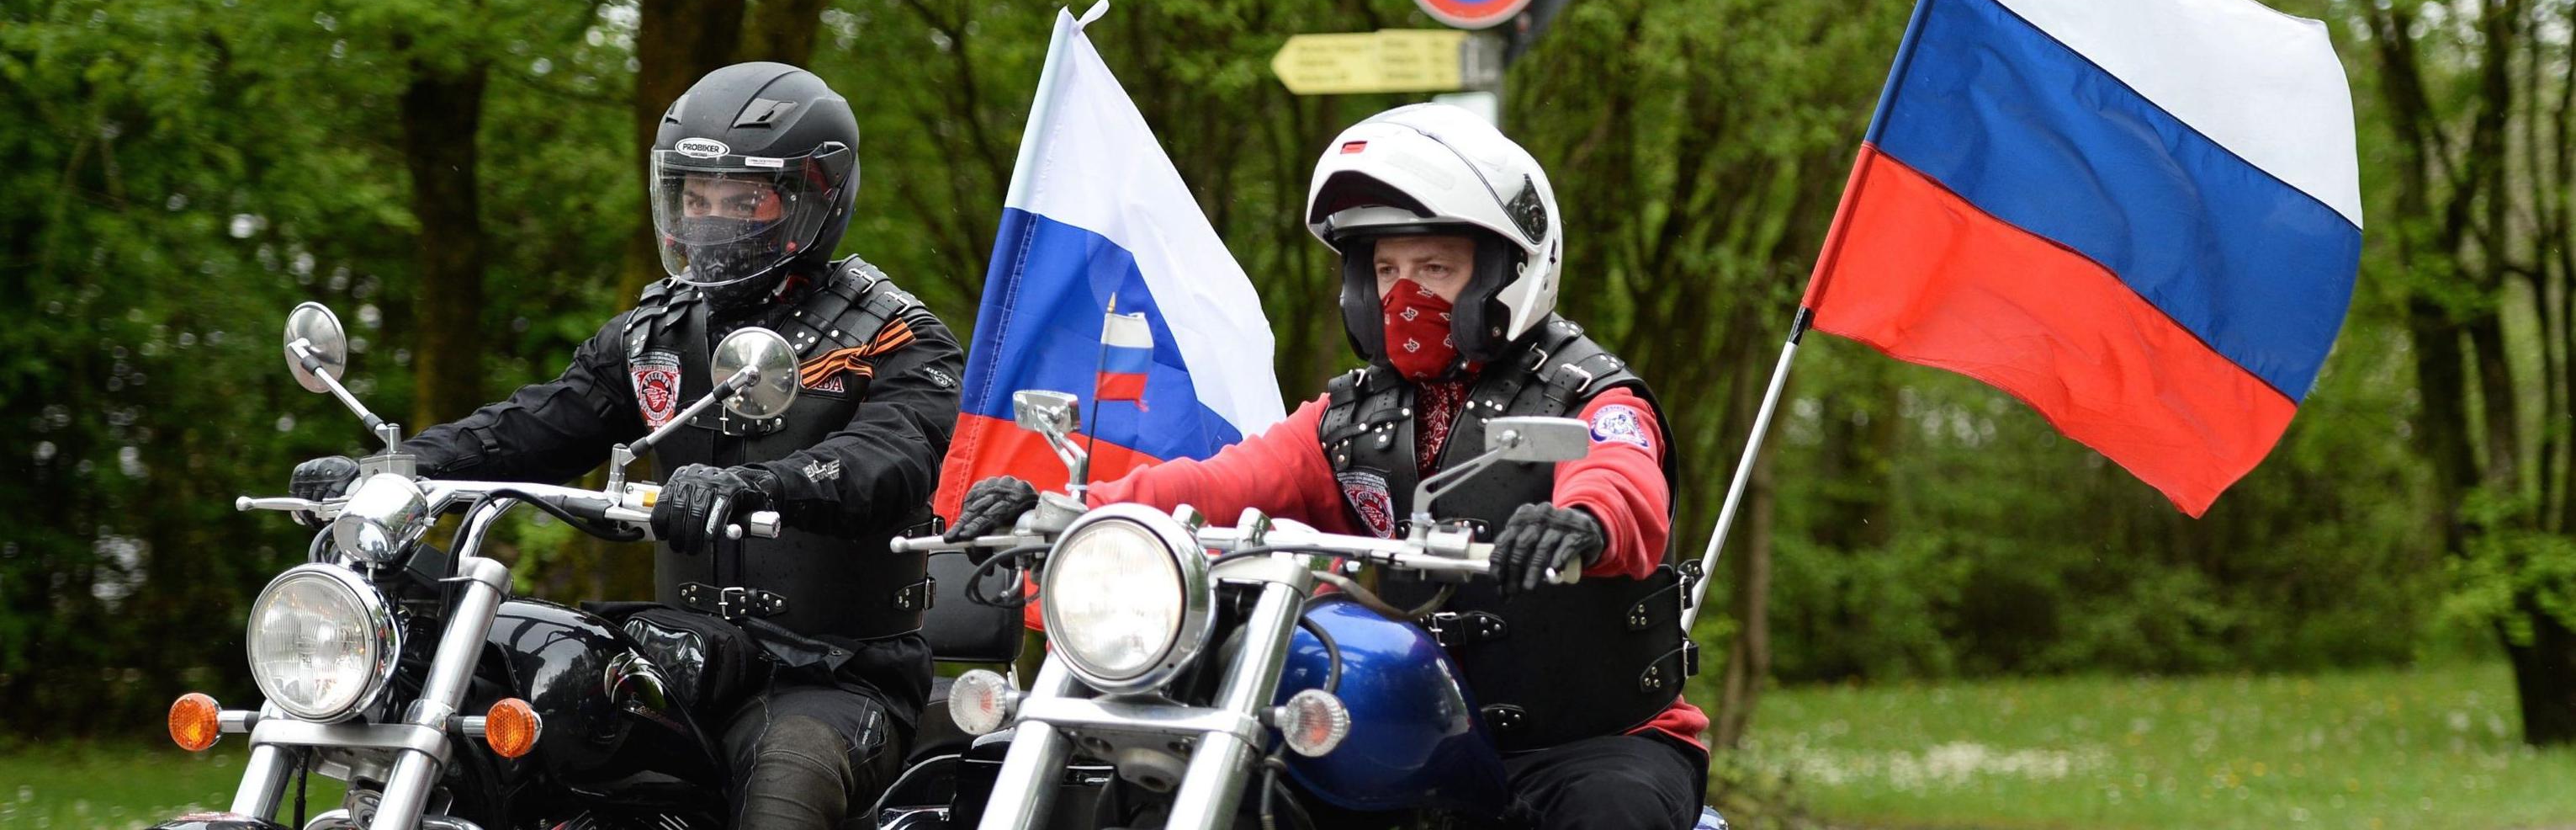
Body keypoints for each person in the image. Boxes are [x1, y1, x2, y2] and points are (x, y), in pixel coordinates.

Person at [946, 104, 1709, 828]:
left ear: (1507, 270)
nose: (1405, 293)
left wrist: (1582, 521)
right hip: (1423, 726)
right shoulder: (1351, 419)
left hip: (1594, 742)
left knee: (1611, 817)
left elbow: (1623, 477)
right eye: (1386, 270)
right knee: (1260, 783)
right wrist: (1065, 508)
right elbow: (1217, 484)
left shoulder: (1587, 394)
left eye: (1436, 267)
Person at [290, 62, 963, 828]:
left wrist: (762, 485)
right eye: (695, 198)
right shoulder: (658, 332)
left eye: (741, 199)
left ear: (815, 195)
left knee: (790, 783)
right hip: (684, 654)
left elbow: (894, 455)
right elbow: (532, 428)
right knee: (527, 726)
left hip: (834, 673)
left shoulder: (895, 337)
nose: (710, 222)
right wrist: (390, 471)